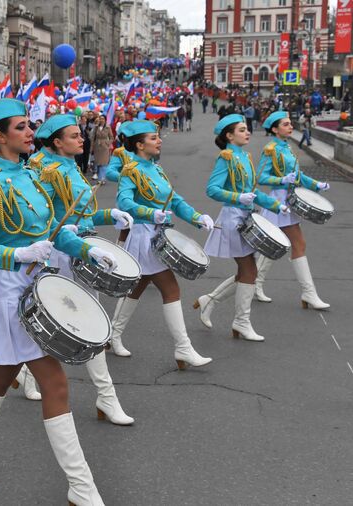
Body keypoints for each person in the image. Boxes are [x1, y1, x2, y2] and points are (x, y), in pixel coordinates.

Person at [0, 99, 116, 505]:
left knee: (1, 378)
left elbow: (53, 231)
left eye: (30, 126)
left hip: (41, 287)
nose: (31, 132)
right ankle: (82, 488)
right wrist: (16, 255)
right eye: (22, 127)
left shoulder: (33, 177)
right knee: (53, 382)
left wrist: (84, 250)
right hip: (12, 292)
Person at [33, 114, 135, 425]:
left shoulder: (72, 168)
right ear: (57, 142)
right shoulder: (46, 172)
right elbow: (43, 221)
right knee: (72, 324)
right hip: (64, 255)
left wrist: (109, 215)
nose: (82, 139)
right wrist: (70, 234)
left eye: (81, 134)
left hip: (83, 249)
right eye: (74, 135)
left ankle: (104, 397)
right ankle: (106, 397)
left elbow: (84, 216)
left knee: (87, 323)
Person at [112, 120, 214, 368]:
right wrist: (149, 213)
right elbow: (124, 202)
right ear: (139, 144)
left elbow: (175, 200)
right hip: (142, 236)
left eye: (158, 137)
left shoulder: (157, 170)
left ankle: (112, 335)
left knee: (135, 288)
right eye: (153, 138)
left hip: (158, 234)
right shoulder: (131, 170)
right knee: (170, 289)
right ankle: (183, 348)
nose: (159, 141)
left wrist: (197, 218)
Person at [194, 115, 289, 342]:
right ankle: (240, 322)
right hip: (233, 219)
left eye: (247, 129)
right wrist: (238, 196)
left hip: (246, 217)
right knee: (249, 271)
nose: (248, 133)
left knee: (247, 272)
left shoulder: (245, 157)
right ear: (229, 135)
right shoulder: (225, 158)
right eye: (242, 130)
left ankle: (211, 300)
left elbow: (253, 192)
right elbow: (212, 189)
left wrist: (277, 206)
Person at [249, 111, 331, 309]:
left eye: (290, 123)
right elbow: (260, 178)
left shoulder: (286, 147)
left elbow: (298, 175)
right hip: (278, 203)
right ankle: (308, 294)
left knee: (274, 248)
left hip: (290, 201)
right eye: (285, 124)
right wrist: (281, 180)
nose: (290, 126)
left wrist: (316, 185)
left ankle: (255, 285)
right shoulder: (271, 149)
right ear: (275, 129)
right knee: (297, 244)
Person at [90, 114, 114, 183]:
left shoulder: (108, 127)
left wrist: (107, 143)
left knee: (104, 163)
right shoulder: (96, 127)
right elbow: (93, 138)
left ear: (105, 120)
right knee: (98, 163)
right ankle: (100, 177)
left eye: (103, 118)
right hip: (97, 146)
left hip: (104, 147)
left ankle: (101, 178)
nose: (101, 120)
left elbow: (112, 137)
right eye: (100, 118)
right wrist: (92, 146)